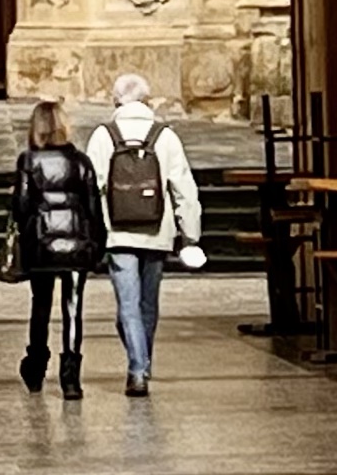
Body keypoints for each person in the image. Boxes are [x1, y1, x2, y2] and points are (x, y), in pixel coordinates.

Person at [87, 70, 204, 396]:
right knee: (148, 304)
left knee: (128, 306)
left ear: (116, 100)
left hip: (118, 233)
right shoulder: (165, 135)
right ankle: (143, 365)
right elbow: (184, 189)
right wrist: (190, 235)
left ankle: (137, 368)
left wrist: (94, 231)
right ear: (147, 100)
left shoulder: (103, 136)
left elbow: (92, 188)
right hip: (158, 230)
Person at [11, 98, 105, 398]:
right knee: (73, 308)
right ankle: (71, 378)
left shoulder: (29, 161)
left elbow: (22, 206)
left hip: (42, 244)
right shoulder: (81, 162)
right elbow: (94, 209)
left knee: (40, 306)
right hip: (77, 244)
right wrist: (97, 245)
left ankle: (37, 364)